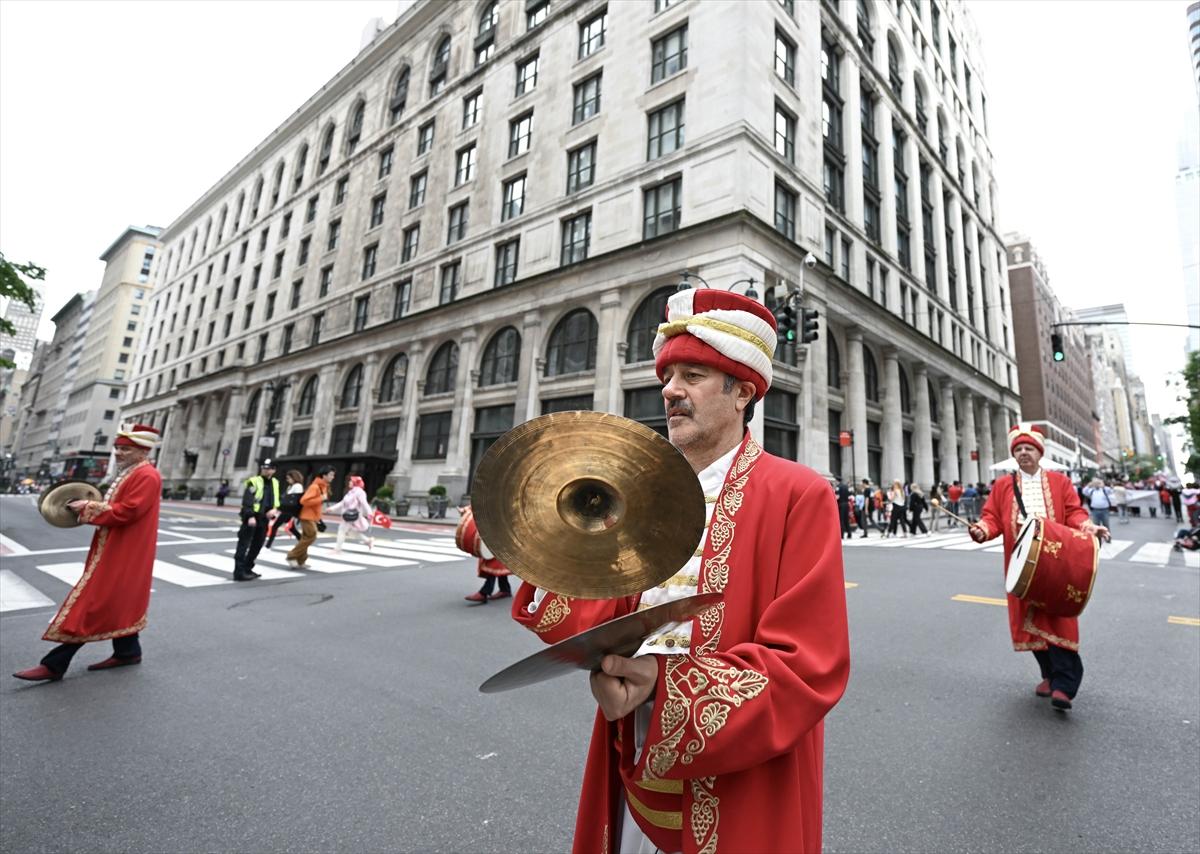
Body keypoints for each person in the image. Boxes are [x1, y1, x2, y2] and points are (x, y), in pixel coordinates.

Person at [510, 289, 850, 853]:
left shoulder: (800, 494)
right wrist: (533, 547)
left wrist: (664, 692)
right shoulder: (639, 495)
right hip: (635, 771)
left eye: (693, 374)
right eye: (668, 376)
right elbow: (602, 615)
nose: (669, 390)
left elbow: (807, 667)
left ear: (743, 392)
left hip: (739, 790)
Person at [968, 424, 1109, 711]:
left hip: (1055, 559)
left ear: (1039, 452)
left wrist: (1088, 526)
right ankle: (1048, 674)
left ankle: (1064, 685)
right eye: (1018, 450)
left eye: (1028, 448)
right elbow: (992, 517)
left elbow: (1074, 512)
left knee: (1058, 617)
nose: (1023, 453)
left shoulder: (1059, 482)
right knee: (1028, 620)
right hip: (1021, 562)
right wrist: (982, 529)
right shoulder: (1003, 485)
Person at [13, 425, 164, 682]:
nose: (118, 453)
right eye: (117, 447)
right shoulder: (134, 472)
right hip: (118, 546)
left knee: (93, 601)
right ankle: (128, 650)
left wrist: (89, 506)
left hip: (125, 550)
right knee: (118, 600)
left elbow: (127, 511)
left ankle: (55, 663)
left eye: (125, 449)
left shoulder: (147, 476)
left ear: (142, 451)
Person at [232, 458, 281, 581]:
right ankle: (239, 572)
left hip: (264, 519)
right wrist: (250, 516)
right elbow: (247, 500)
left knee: (258, 544)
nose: (265, 470)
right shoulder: (254, 481)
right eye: (263, 468)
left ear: (274, 470)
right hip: (252, 517)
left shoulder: (275, 482)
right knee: (244, 544)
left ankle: (248, 568)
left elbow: (276, 500)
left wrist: (274, 510)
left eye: (268, 468)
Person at [456, 503, 513, 603]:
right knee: (497, 562)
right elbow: (482, 500)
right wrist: (467, 509)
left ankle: (484, 592)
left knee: (493, 562)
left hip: (504, 529)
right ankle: (505, 589)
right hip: (496, 528)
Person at [288, 466, 334, 569]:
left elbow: (317, 504)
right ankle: (292, 555)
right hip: (307, 516)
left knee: (305, 538)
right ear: (324, 475)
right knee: (311, 536)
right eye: (331, 474)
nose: (333, 477)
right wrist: (320, 498)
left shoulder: (324, 486)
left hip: (313, 516)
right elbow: (304, 501)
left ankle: (301, 560)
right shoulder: (315, 487)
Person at [327, 474, 375, 553]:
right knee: (351, 532)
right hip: (347, 515)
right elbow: (342, 502)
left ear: (355, 482)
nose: (349, 482)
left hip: (353, 515)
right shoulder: (351, 492)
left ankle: (337, 549)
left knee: (342, 530)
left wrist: (369, 513)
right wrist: (332, 508)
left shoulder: (360, 492)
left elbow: (364, 503)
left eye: (351, 481)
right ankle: (368, 540)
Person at [265, 469, 304, 549]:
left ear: (294, 478)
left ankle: (268, 546)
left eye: (289, 478)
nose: (287, 480)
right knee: (292, 528)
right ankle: (303, 543)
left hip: (289, 511)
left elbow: (296, 500)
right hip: (287, 509)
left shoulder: (298, 486)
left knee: (275, 526)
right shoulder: (291, 486)